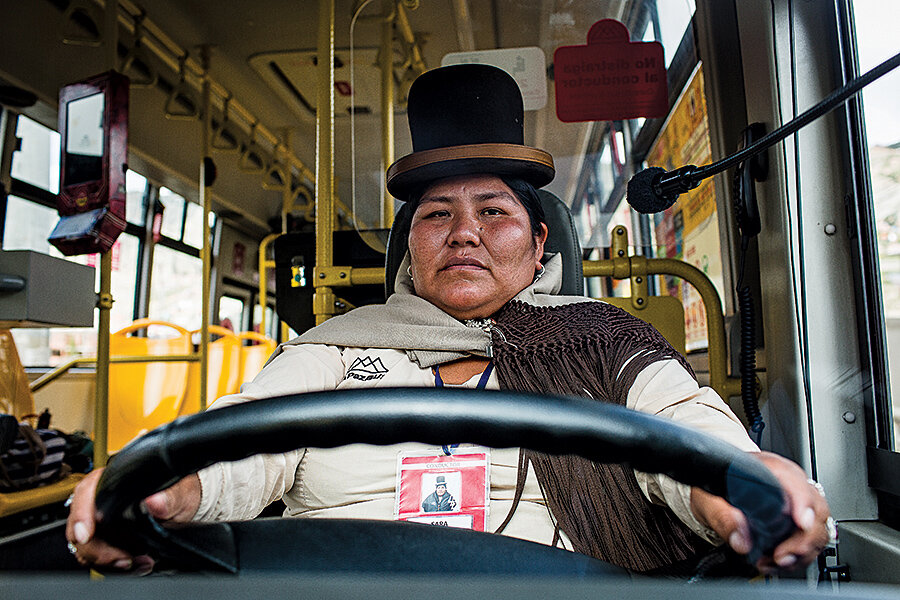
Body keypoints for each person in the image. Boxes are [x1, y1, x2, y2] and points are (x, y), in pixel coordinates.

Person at [67, 64, 832, 576]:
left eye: (493, 212)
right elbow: (247, 438)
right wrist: (169, 489)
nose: (464, 232)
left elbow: (683, 427)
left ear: (538, 247)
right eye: (438, 215)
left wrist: (739, 484)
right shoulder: (335, 348)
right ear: (410, 248)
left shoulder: (606, 339)